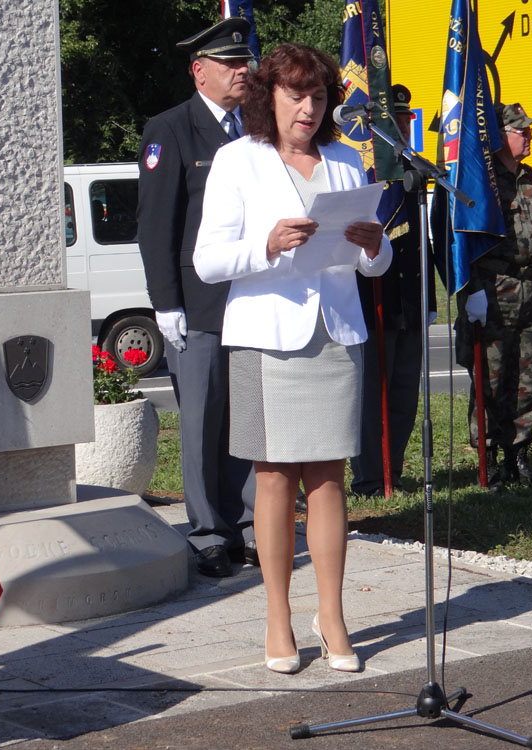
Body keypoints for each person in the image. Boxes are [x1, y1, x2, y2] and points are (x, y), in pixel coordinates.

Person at [193, 43, 391, 674]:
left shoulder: (346, 160)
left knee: (329, 479)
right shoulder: (238, 159)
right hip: (266, 337)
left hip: (335, 334)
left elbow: (374, 263)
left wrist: (375, 246)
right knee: (274, 479)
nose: (308, 108)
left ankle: (331, 616)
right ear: (267, 97)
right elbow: (207, 261)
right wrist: (268, 243)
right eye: (295, 95)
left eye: (319, 96)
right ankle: (277, 617)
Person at [136, 18, 256, 578]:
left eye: (244, 62)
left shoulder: (255, 129)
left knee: (246, 419)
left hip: (250, 298)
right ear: (199, 71)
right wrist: (166, 303)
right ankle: (208, 531)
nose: (242, 71)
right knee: (203, 423)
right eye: (230, 64)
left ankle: (248, 525)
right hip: (199, 302)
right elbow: (156, 224)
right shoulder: (171, 129)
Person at [445, 102, 532, 490]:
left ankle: (519, 457)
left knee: (527, 380)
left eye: (528, 130)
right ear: (498, 136)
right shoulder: (482, 183)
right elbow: (464, 243)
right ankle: (490, 460)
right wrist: (473, 291)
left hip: (529, 293)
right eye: (520, 130)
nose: (529, 136)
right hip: (493, 294)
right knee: (491, 382)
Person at [350, 83, 435, 497]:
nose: (403, 126)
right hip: (371, 300)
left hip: (408, 300)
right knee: (371, 394)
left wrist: (429, 298)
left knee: (403, 392)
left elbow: (421, 241)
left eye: (405, 120)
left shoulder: (412, 172)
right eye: (395, 120)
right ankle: (370, 477)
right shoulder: (363, 174)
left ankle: (393, 470)